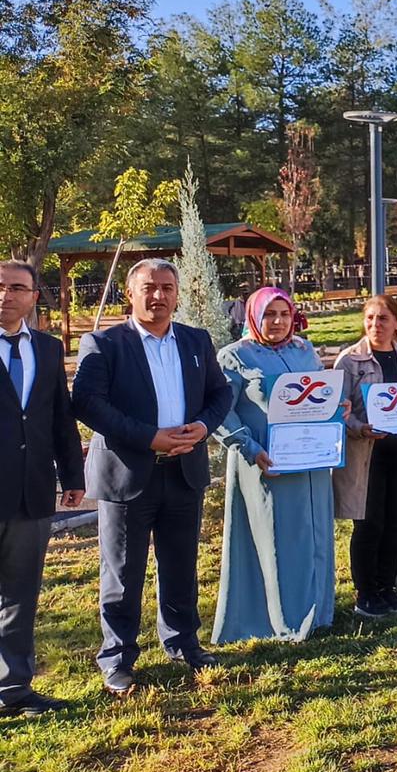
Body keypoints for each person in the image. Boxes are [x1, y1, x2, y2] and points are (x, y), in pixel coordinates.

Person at [73, 257, 232, 695]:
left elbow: (221, 392)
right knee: (123, 573)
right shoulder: (103, 344)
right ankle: (118, 659)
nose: (159, 296)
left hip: (184, 472)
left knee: (181, 565)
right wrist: (150, 438)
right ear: (130, 292)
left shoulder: (196, 341)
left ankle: (183, 643)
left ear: (177, 294)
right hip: (129, 475)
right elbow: (88, 403)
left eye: (167, 287)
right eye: (149, 287)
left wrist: (204, 426)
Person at [211, 286, 336, 644]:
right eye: (269, 314)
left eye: (284, 314)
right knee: (277, 539)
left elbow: (320, 394)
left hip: (311, 465)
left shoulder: (303, 350)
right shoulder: (235, 357)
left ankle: (318, 612)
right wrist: (248, 447)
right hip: (267, 465)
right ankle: (279, 619)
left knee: (313, 535)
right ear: (253, 316)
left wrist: (337, 409)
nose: (278, 321)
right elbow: (221, 410)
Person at [0, 260, 84, 716]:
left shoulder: (49, 350)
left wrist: (73, 476)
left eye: (17, 288)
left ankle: (13, 689)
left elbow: (59, 418)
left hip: (31, 493)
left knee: (20, 594)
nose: (5, 295)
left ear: (34, 296)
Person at [333, 294, 397, 619]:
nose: (375, 324)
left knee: (396, 521)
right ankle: (366, 593)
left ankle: (387, 587)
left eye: (383, 318)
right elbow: (338, 411)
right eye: (370, 318)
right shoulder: (349, 361)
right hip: (367, 456)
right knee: (368, 523)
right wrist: (360, 428)